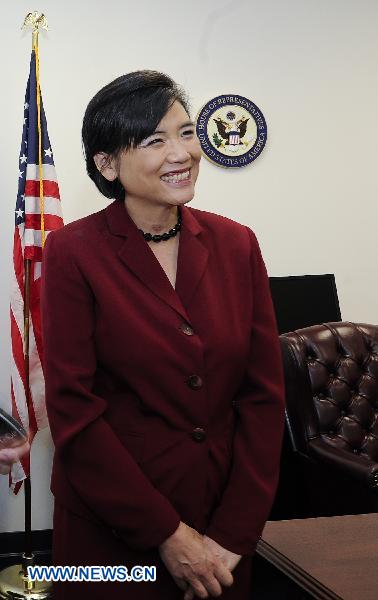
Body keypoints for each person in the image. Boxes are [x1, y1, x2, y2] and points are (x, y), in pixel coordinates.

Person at [41, 70, 285, 599]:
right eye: (154, 140)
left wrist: (235, 531)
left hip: (222, 526)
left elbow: (263, 397)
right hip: (110, 530)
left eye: (186, 132)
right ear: (107, 164)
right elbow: (74, 410)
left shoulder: (237, 245)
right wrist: (167, 535)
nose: (181, 153)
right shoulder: (72, 254)